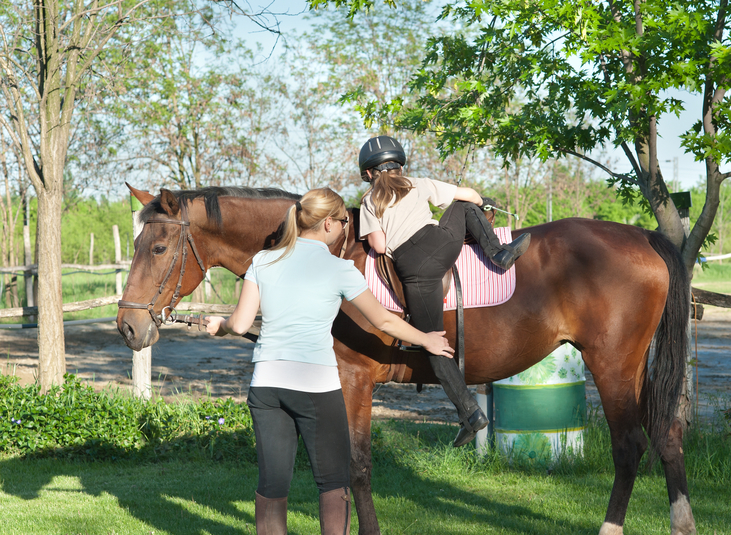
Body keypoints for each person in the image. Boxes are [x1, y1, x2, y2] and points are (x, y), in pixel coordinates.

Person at [206, 187, 453, 535]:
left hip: (267, 386)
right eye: (341, 222)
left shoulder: (262, 261)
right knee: (333, 485)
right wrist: (426, 338)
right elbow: (383, 320)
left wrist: (220, 327)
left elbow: (241, 324)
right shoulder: (341, 269)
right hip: (315, 388)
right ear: (326, 225)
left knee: (272, 486)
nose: (343, 228)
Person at [357, 135, 531, 448]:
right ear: (399, 165)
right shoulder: (416, 183)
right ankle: (499, 254)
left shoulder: (369, 202)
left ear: (368, 174)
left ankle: (470, 414)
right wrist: (475, 209)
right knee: (463, 207)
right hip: (441, 246)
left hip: (414, 273)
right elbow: (471, 196)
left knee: (433, 343)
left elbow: (379, 246)